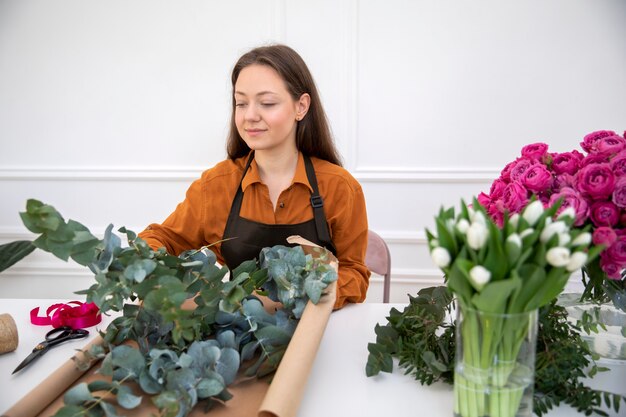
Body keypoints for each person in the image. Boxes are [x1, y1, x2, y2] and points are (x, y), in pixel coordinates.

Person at [138, 44, 370, 309]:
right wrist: (147, 270)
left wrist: (301, 296)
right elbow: (161, 237)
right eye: (241, 103)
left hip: (312, 329)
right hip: (239, 332)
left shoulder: (340, 188)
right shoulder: (215, 186)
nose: (250, 116)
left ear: (301, 107)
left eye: (267, 103)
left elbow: (354, 273)